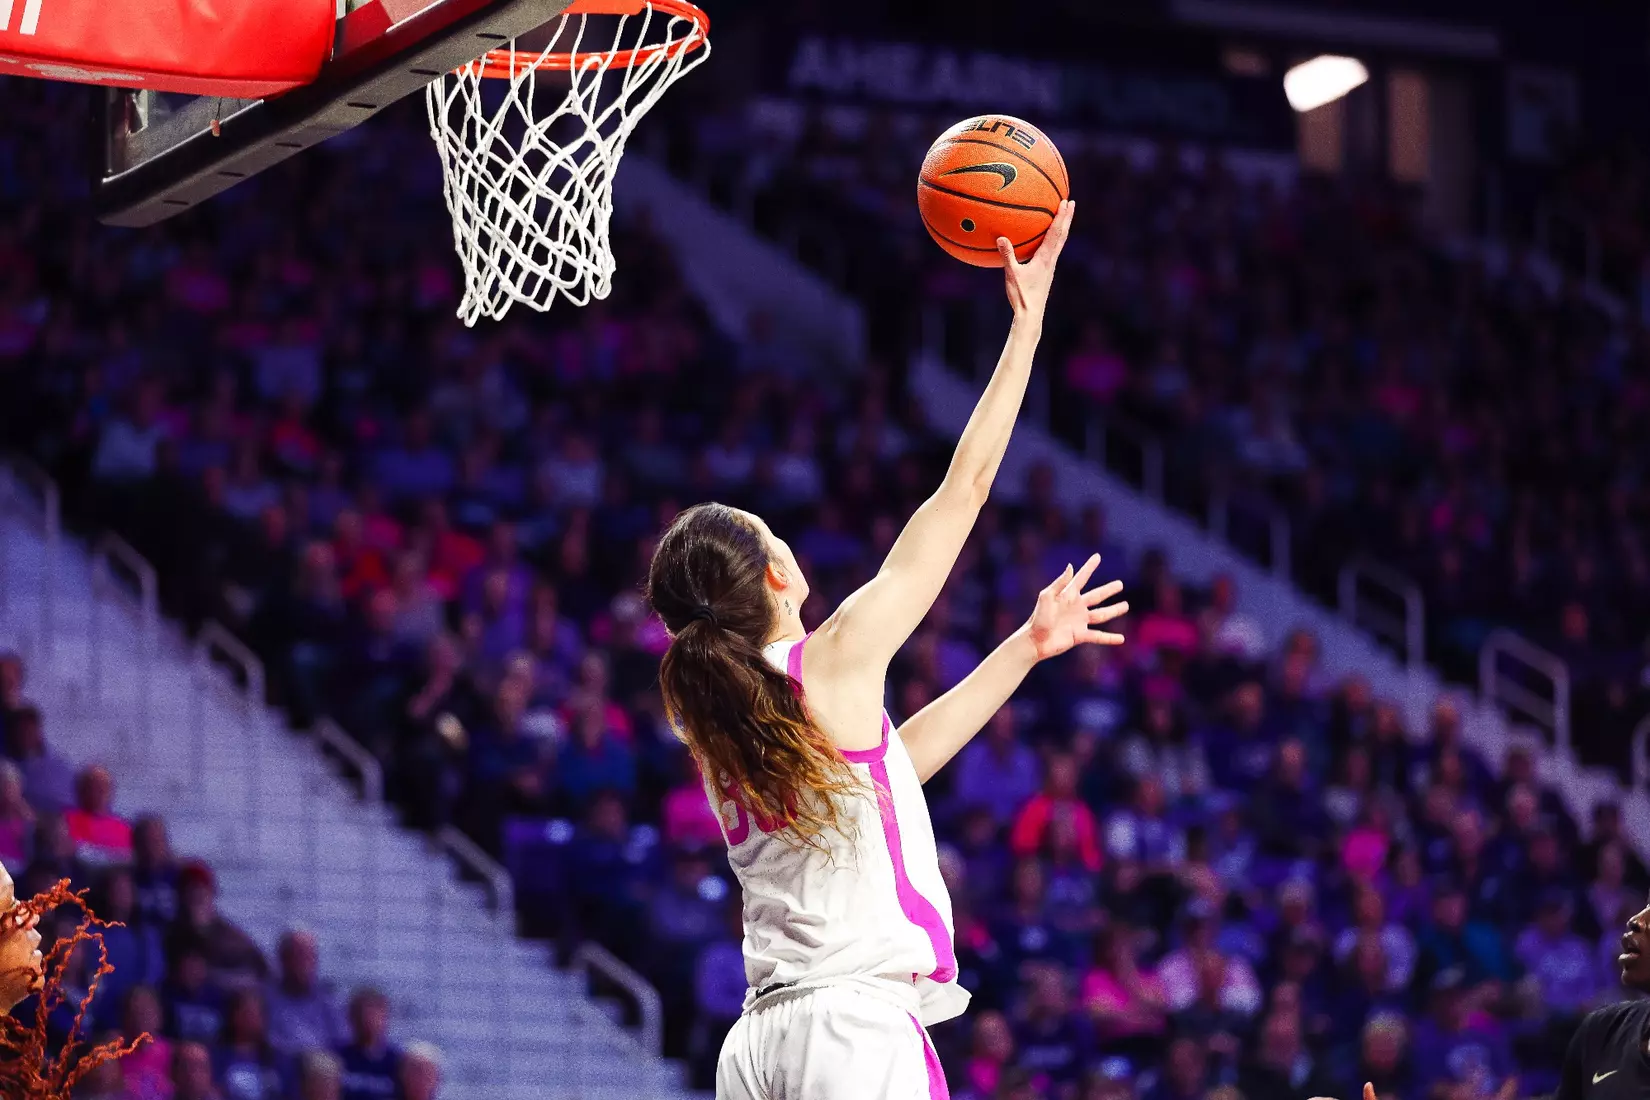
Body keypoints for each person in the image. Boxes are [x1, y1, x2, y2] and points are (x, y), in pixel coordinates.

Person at [646, 203, 1126, 1100]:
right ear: (778, 576)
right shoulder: (832, 659)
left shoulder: (725, 720)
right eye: (773, 533)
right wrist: (1026, 327)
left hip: (760, 1047)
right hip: (849, 1032)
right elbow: (967, 486)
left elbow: (891, 768)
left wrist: (1022, 647)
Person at [1315, 889, 1650, 1100]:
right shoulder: (1428, 1038)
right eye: (1445, 996)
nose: (1453, 1002)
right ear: (1434, 1001)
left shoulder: (1487, 1030)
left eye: (1457, 995)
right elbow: (1425, 1086)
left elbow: (1513, 1076)